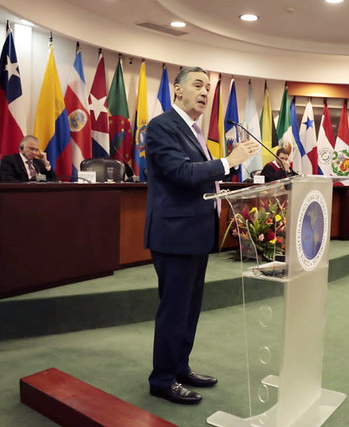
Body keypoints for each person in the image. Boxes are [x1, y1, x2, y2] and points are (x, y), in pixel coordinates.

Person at [143, 66, 259, 404]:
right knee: (174, 310)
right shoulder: (162, 126)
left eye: (208, 87)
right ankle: (162, 379)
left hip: (196, 234)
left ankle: (180, 367)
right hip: (174, 235)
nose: (205, 91)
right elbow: (179, 172)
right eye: (198, 85)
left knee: (190, 309)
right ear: (177, 91)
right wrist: (227, 161)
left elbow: (201, 179)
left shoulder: (195, 132)